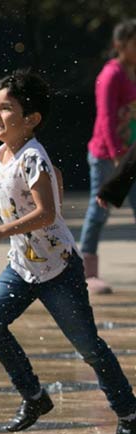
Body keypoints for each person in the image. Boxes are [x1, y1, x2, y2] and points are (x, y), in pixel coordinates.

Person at [0, 70, 136, 434]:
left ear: (31, 119)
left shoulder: (32, 156)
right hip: (22, 266)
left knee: (89, 348)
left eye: (6, 109)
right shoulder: (4, 153)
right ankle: (34, 396)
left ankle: (128, 413)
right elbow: (47, 188)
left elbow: (46, 214)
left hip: (59, 269)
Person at [78, 19, 136, 294]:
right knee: (99, 209)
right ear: (119, 45)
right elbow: (105, 117)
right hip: (107, 156)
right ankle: (87, 273)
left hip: (132, 155)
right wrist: (116, 156)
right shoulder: (111, 74)